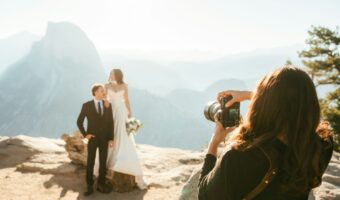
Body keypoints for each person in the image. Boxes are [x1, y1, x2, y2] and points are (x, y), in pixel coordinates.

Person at [198, 67, 333, 200]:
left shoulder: (239, 157)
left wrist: (214, 143)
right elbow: (295, 108)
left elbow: (204, 196)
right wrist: (251, 95)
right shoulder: (322, 145)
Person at [94, 68, 147, 189]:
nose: (110, 75)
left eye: (112, 74)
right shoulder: (106, 85)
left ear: (117, 75)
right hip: (111, 111)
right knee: (111, 134)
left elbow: (127, 100)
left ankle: (121, 158)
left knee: (123, 135)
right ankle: (107, 162)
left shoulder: (124, 85)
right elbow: (104, 98)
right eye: (110, 74)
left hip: (122, 111)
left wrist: (130, 113)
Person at [77, 84, 114, 196]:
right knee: (90, 162)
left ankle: (100, 185)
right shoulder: (86, 105)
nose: (104, 92)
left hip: (104, 139)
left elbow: (110, 123)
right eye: (101, 91)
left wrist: (111, 138)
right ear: (95, 92)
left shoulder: (107, 105)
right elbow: (79, 121)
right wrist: (85, 134)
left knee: (103, 163)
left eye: (104, 90)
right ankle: (89, 185)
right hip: (92, 139)